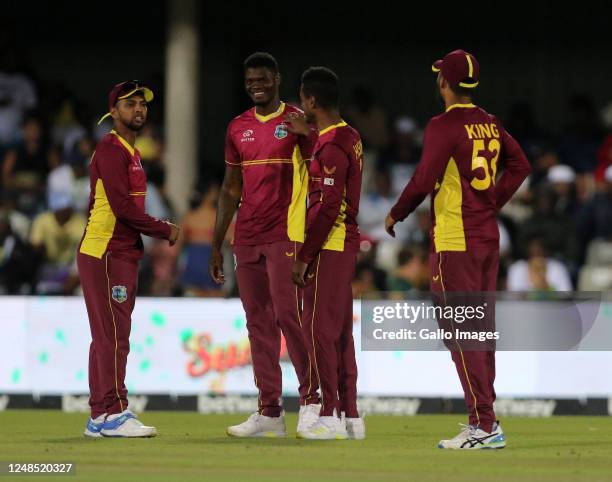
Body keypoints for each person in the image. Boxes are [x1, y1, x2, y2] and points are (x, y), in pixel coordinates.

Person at [385, 50, 531, 449]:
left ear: (445, 82)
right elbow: (520, 166)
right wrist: (491, 204)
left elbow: (423, 179)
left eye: (439, 77)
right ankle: (484, 418)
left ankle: (484, 425)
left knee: (461, 331)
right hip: (487, 236)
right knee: (480, 331)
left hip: (455, 239)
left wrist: (395, 214)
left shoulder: (443, 125)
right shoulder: (489, 122)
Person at [209, 52, 320, 438]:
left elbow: (324, 166)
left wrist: (310, 136)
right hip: (247, 237)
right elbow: (230, 188)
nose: (256, 85)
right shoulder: (237, 127)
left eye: (262, 79)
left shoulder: (295, 120)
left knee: (289, 317)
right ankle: (270, 412)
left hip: (285, 233)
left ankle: (312, 402)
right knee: (258, 324)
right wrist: (216, 242)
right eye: (250, 80)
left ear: (277, 78)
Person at [77, 81, 179, 438]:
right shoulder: (110, 149)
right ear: (114, 112)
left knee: (108, 335)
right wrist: (164, 229)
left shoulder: (131, 153)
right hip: (105, 251)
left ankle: (98, 415)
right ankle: (115, 412)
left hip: (117, 252)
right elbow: (121, 208)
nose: (139, 109)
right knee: (113, 336)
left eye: (142, 104)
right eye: (130, 104)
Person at [290, 66, 365, 440]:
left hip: (329, 244)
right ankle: (350, 415)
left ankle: (328, 413)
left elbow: (328, 205)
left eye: (302, 99)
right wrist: (312, 134)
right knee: (338, 334)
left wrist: (304, 255)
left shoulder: (332, 145)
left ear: (311, 100)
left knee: (318, 329)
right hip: (342, 244)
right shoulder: (347, 135)